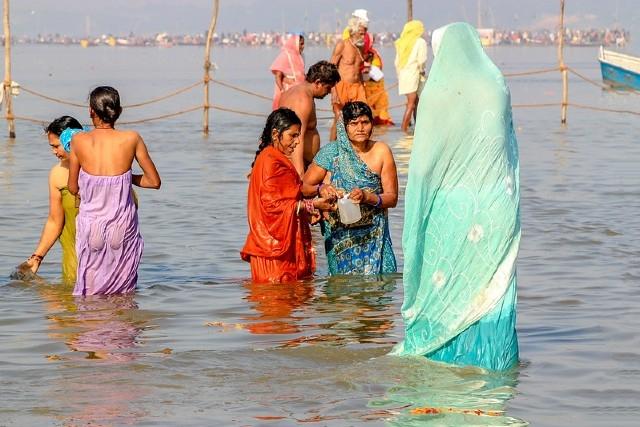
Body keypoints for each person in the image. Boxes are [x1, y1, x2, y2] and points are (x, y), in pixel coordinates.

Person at [391, 23, 520, 371]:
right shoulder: (496, 84)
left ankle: (446, 357)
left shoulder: (438, 91)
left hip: (451, 205)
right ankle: (492, 365)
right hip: (497, 204)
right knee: (494, 281)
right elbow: (508, 150)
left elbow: (424, 165)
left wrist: (417, 210)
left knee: (446, 278)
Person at [68, 86, 161, 296]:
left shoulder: (78, 141)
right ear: (118, 111)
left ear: (91, 111)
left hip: (91, 226)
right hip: (122, 225)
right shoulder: (132, 138)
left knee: (89, 293)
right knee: (123, 294)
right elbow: (154, 182)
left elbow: (73, 187)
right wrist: (126, 178)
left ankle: (92, 326)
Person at [302, 102, 398, 275]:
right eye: (353, 124)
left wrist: (367, 197)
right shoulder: (332, 152)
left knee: (379, 292)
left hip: (374, 235)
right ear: (344, 127)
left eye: (365, 122)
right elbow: (303, 187)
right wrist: (322, 189)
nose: (360, 128)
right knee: (341, 294)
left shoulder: (381, 151)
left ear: (372, 124)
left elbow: (392, 198)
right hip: (340, 238)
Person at [241, 108, 333, 283]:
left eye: (298, 135)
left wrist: (316, 197)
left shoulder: (274, 158)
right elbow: (272, 207)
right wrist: (313, 205)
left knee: (289, 302)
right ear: (276, 134)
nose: (298, 142)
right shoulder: (270, 161)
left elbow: (290, 194)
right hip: (272, 251)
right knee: (275, 303)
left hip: (277, 247)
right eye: (293, 135)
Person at [18, 116, 84, 283]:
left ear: (70, 141)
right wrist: (37, 257)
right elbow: (55, 221)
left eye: (56, 146)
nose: (54, 152)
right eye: (51, 146)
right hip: (74, 256)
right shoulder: (58, 174)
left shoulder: (101, 167)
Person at [278, 60, 340, 176]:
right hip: (295, 164)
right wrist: (300, 174)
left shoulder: (291, 91)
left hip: (296, 162)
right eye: (327, 88)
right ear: (317, 82)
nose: (328, 93)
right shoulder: (303, 100)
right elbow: (296, 137)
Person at [330, 17, 368, 140]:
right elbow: (331, 68)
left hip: (358, 86)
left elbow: (358, 69)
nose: (364, 35)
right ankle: (332, 147)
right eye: (361, 33)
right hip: (341, 86)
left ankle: (355, 148)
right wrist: (333, 90)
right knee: (340, 118)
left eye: (365, 33)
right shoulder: (342, 45)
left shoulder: (361, 47)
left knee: (361, 117)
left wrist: (363, 86)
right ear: (353, 31)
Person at [394, 20, 428, 132]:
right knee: (412, 103)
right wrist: (423, 71)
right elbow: (422, 61)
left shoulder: (401, 42)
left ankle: (417, 127)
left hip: (404, 75)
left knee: (414, 102)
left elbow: (396, 62)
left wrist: (400, 75)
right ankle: (404, 129)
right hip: (414, 74)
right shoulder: (420, 42)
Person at [269, 33, 305, 111]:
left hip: (299, 91)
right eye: (301, 44)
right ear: (294, 44)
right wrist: (283, 91)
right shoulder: (285, 55)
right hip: (288, 91)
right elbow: (278, 76)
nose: (303, 46)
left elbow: (301, 74)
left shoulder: (300, 57)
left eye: (303, 44)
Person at [364, 39, 394, 126]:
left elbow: (377, 74)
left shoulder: (373, 55)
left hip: (376, 90)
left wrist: (366, 69)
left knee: (381, 119)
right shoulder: (358, 53)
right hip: (365, 90)